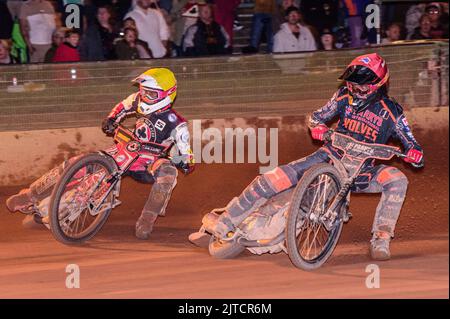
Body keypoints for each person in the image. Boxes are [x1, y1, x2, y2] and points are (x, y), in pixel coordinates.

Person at [205, 53, 424, 261]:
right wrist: (317, 126)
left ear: (378, 85)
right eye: (352, 84)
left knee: (397, 180)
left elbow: (412, 144)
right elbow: (318, 116)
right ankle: (226, 221)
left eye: (361, 86)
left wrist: (415, 154)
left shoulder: (392, 111)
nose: (355, 89)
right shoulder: (342, 96)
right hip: (327, 157)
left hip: (362, 172)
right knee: (273, 177)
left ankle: (381, 239)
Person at [6, 68, 195, 240]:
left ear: (167, 95)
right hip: (126, 149)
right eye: (143, 91)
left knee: (168, 173)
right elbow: (122, 107)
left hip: (150, 161)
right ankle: (31, 195)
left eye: (150, 93)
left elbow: (186, 152)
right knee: (78, 162)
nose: (144, 96)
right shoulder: (137, 99)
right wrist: (111, 118)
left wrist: (183, 161)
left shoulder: (176, 123)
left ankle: (147, 219)